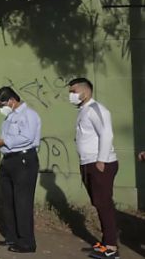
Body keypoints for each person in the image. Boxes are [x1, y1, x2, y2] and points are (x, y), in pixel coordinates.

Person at [0, 87, 41, 254]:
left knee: (22, 202)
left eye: (1, 105)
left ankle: (27, 242)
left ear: (11, 101)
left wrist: (1, 142)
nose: (0, 109)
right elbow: (7, 140)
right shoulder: (10, 117)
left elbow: (27, 137)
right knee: (8, 201)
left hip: (23, 160)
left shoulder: (28, 115)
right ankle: (12, 236)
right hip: (8, 160)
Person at [69, 77, 120, 259]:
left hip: (100, 164)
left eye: (73, 92)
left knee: (104, 204)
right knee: (99, 203)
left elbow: (107, 134)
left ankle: (112, 247)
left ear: (85, 91)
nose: (71, 95)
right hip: (87, 163)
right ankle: (106, 242)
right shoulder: (83, 110)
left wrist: (101, 160)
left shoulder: (96, 109)